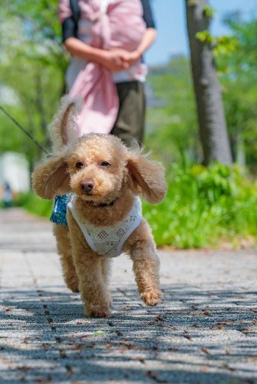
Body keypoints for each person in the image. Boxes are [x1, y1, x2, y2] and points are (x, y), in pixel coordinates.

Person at [50, 0, 156, 226]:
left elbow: (150, 27)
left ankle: (128, 221)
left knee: (128, 147)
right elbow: (69, 40)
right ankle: (75, 222)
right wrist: (104, 58)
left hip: (129, 75)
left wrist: (136, 53)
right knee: (81, 148)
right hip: (86, 80)